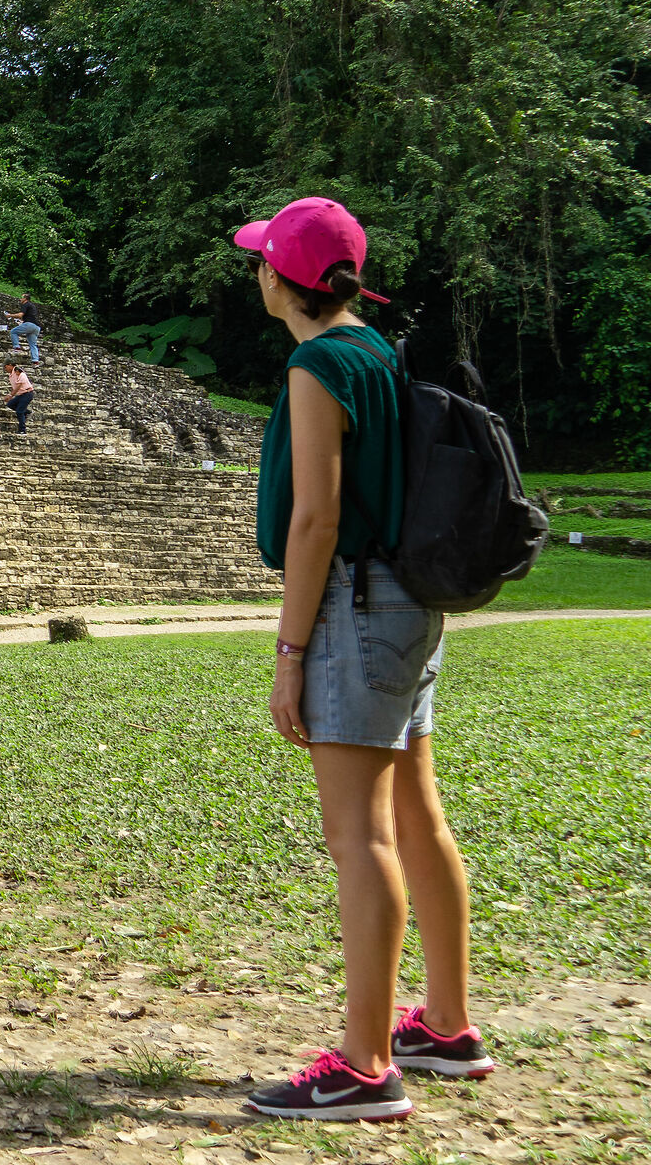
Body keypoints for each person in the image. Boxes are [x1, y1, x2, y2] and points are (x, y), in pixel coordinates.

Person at [236, 196, 492, 1125]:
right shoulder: (378, 352)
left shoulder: (317, 364)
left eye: (262, 259)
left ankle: (364, 1064)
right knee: (417, 816)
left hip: (354, 603)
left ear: (282, 278)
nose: (255, 270)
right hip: (411, 603)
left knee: (362, 837)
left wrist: (290, 650)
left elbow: (317, 517)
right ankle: (449, 1028)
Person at [7, 292, 44, 363]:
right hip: (36, 327)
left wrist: (10, 315)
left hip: (30, 325)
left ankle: (16, 347)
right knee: (33, 344)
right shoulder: (32, 306)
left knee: (13, 332)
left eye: (22, 297)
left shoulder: (25, 304)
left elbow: (20, 315)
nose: (20, 299)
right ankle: (35, 361)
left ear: (25, 299)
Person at [2, 360, 34, 431]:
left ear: (10, 365)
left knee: (19, 411)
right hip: (20, 394)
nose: (5, 369)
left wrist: (10, 395)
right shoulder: (12, 374)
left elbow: (19, 385)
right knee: (10, 404)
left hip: (27, 393)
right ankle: (27, 412)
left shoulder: (19, 372)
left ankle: (22, 430)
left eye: (6, 367)